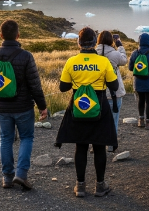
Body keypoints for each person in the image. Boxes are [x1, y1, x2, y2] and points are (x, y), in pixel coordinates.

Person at [0, 20, 48, 190]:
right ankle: (21, 174)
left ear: (1, 35)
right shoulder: (26, 56)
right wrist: (42, 106)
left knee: (5, 139)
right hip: (24, 107)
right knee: (26, 137)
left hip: (1, 107)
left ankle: (7, 177)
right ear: (18, 35)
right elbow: (35, 84)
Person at [55, 28, 119, 198]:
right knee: (99, 146)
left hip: (78, 106)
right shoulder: (103, 62)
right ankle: (100, 186)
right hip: (99, 106)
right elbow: (114, 86)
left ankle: (80, 186)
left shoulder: (71, 62)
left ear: (79, 43)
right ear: (94, 43)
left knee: (81, 146)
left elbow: (63, 87)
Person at [95, 30, 127, 152]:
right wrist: (120, 46)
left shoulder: (94, 54)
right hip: (114, 92)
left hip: (97, 92)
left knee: (97, 119)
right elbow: (124, 60)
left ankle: (97, 143)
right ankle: (110, 144)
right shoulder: (114, 54)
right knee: (114, 119)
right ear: (110, 41)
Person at [129, 33, 149, 129]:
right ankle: (148, 123)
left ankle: (141, 120)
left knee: (141, 101)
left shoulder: (135, 53)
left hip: (138, 82)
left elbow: (131, 68)